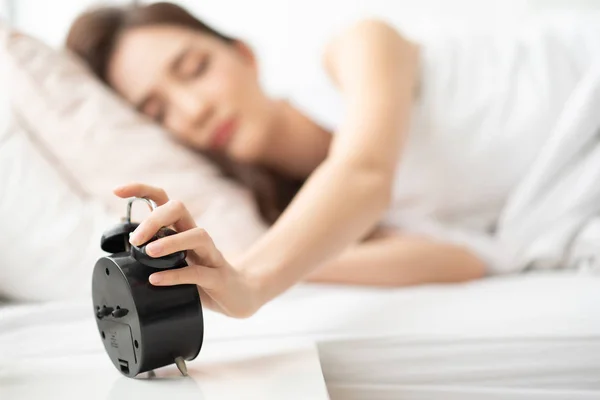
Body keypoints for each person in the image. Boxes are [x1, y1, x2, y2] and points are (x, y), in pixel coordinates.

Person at [66, 2, 490, 318]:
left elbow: (364, 173)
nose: (194, 110)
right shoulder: (304, 215)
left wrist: (251, 277)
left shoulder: (358, 45)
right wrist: (241, 261)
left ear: (244, 54)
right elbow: (462, 260)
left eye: (195, 68)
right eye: (158, 113)